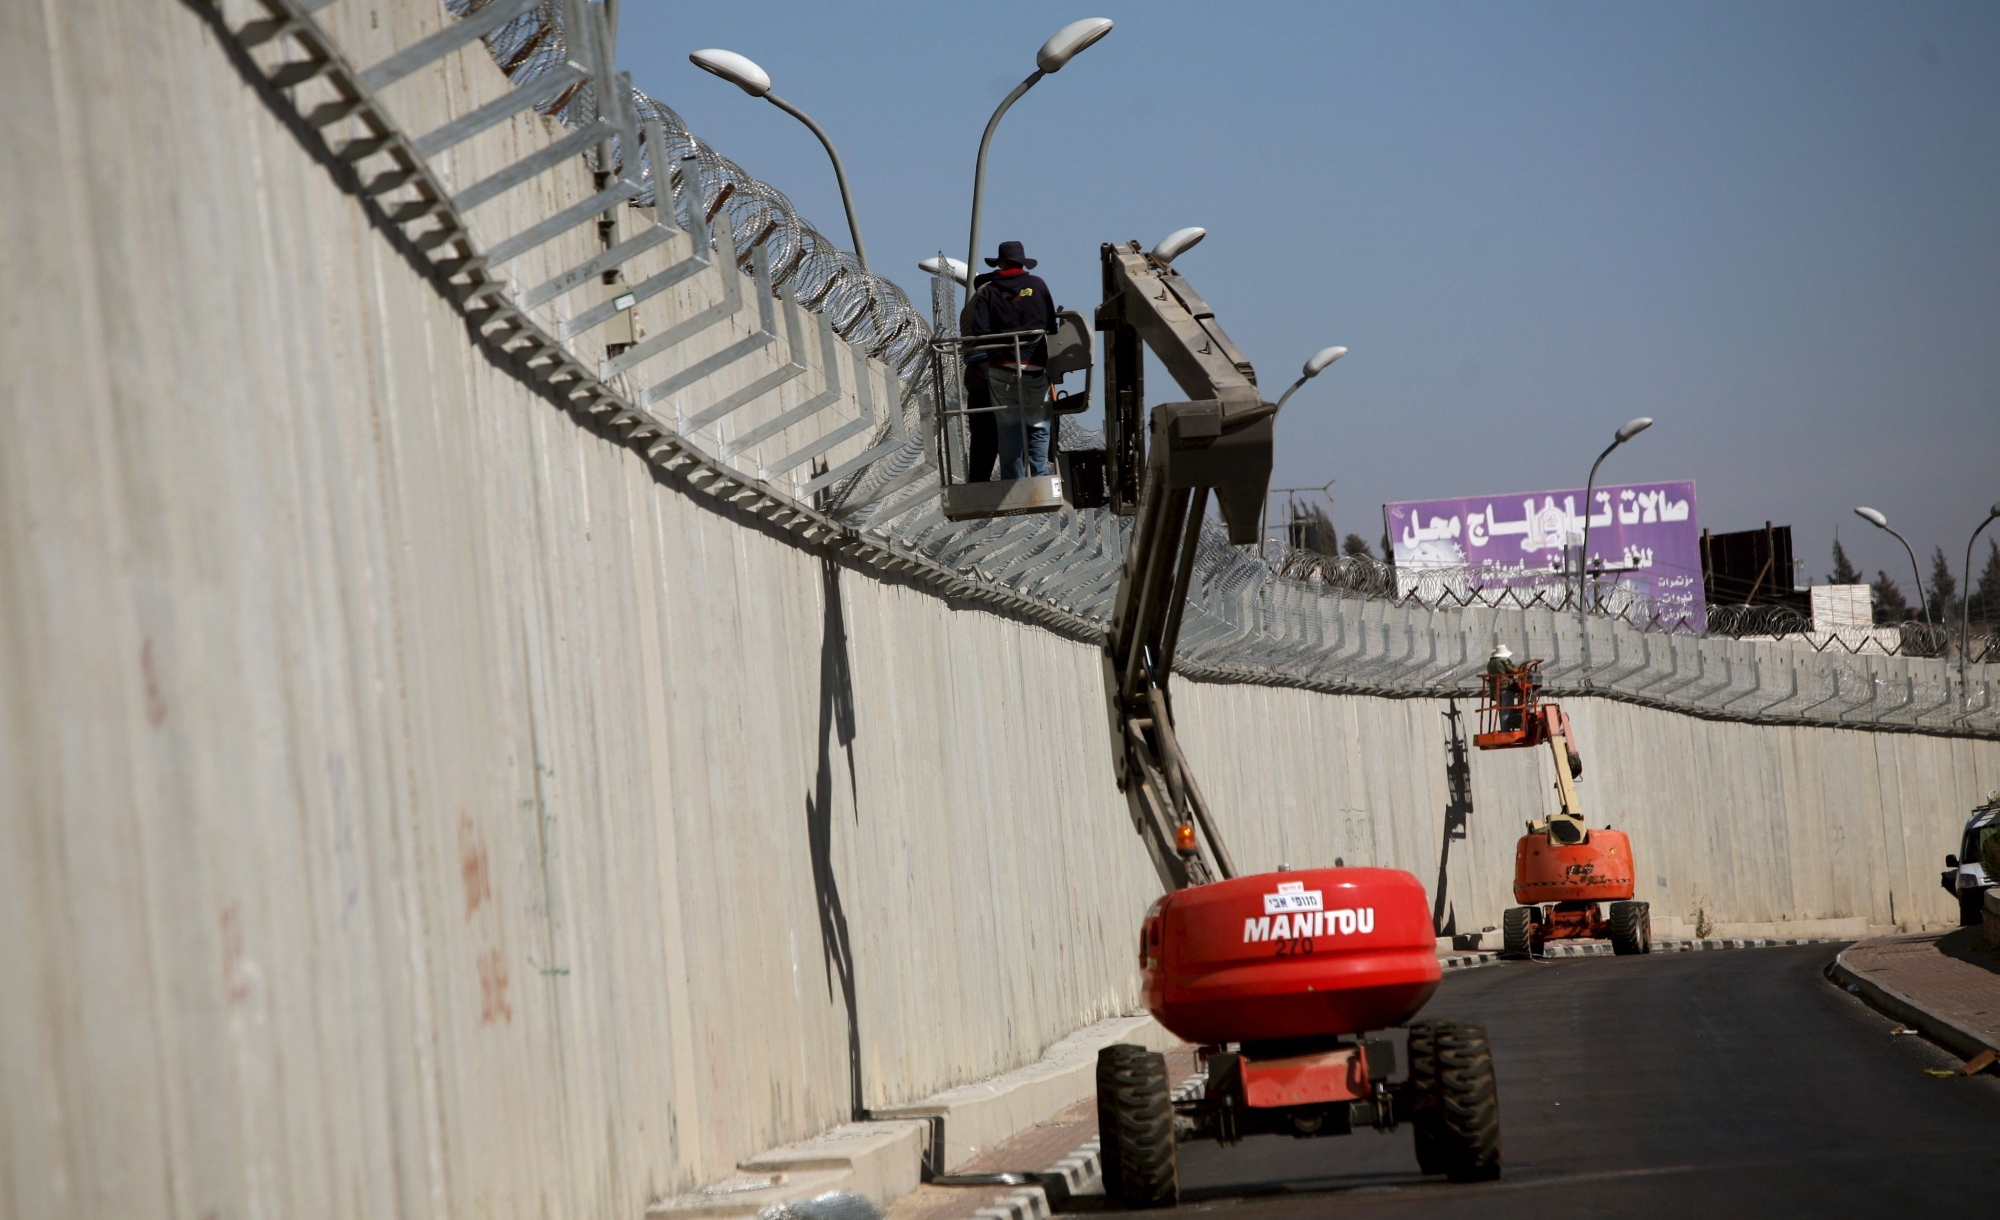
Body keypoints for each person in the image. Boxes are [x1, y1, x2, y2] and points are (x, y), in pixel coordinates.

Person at [964, 240, 1057, 479]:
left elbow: (980, 331)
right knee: (1038, 424)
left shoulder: (987, 293)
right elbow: (1051, 325)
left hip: (994, 366)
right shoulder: (1037, 284)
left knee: (1003, 428)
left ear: (1001, 265)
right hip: (1034, 365)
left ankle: (999, 480)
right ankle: (1039, 474)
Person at [961, 269, 1000, 482]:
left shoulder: (968, 308)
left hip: (973, 369)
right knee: (1009, 421)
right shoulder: (993, 295)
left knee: (982, 431)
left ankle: (978, 478)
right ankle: (1017, 475)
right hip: (992, 365)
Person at [1488, 644, 1523, 731]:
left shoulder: (1490, 663)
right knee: (1506, 710)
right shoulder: (1503, 660)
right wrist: (1523, 670)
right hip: (1506, 688)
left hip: (1495, 689)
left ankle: (1504, 728)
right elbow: (1513, 670)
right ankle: (1506, 731)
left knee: (1501, 710)